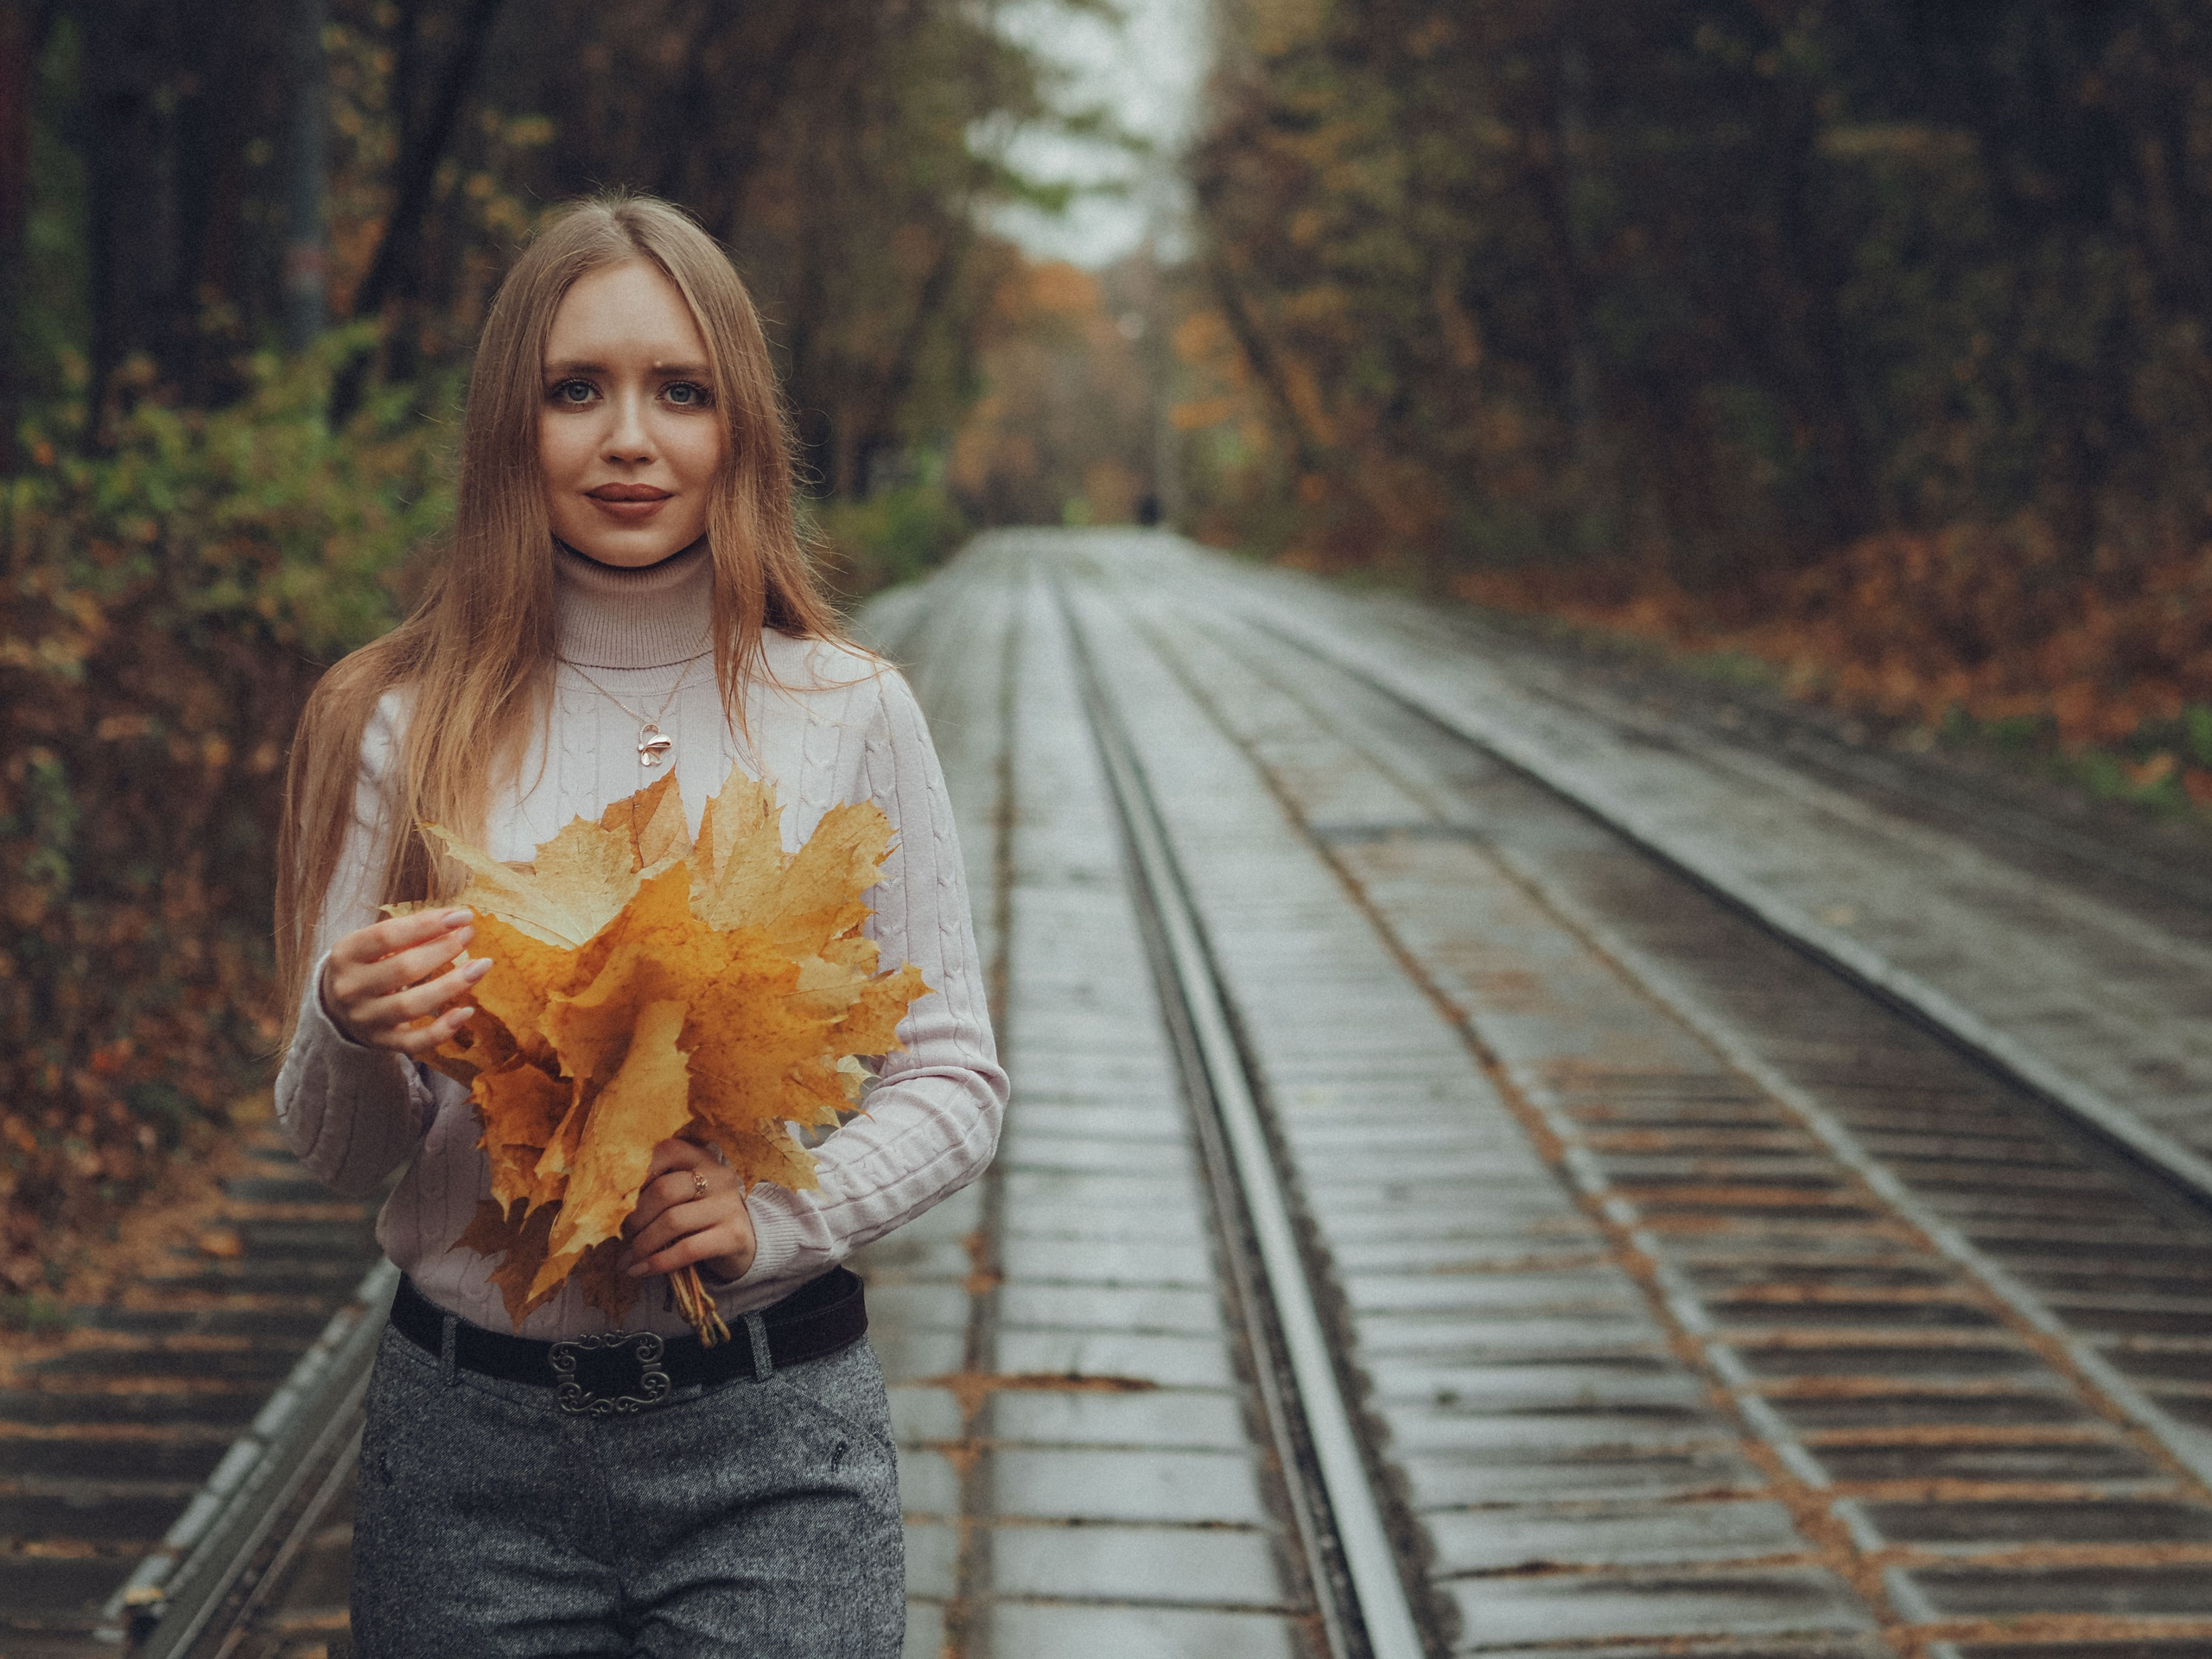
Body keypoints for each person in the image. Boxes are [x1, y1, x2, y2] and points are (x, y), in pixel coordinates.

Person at [272, 194, 1005, 1657]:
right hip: (467, 1462)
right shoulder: (406, 726)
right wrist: (345, 1030)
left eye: (680, 391)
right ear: (509, 426)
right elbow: (345, 1152)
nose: (629, 437)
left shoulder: (846, 708)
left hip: (773, 1451)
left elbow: (955, 1077)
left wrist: (781, 1217)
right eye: (575, 390)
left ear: (739, 425)